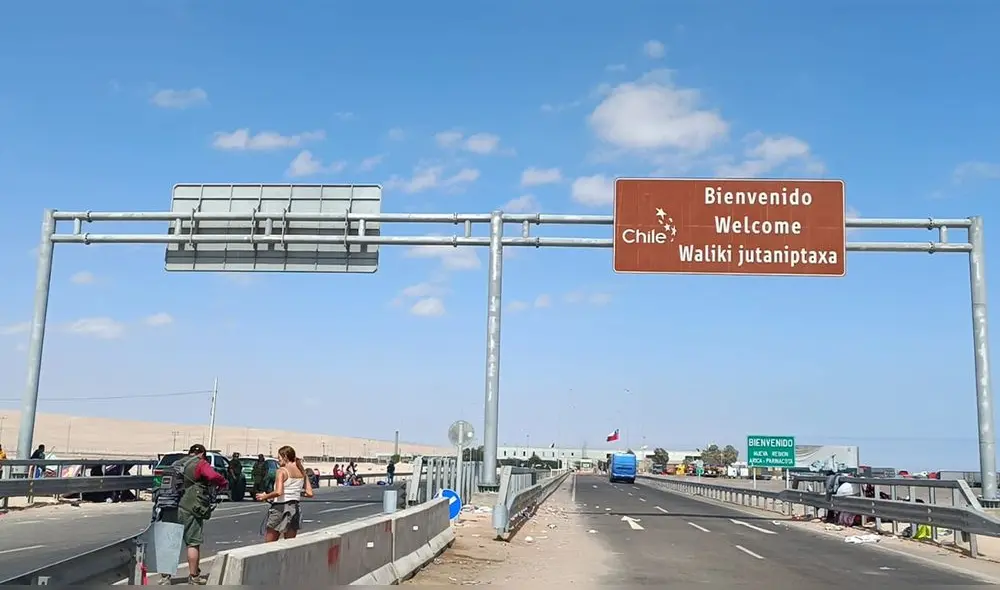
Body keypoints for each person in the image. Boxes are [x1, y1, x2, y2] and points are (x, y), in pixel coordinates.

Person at [177, 444, 228, 585]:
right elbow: (213, 476)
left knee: (170, 542)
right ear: (203, 454)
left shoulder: (177, 463)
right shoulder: (200, 464)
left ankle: (165, 577)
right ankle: (194, 576)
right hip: (190, 507)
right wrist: (223, 482)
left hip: (170, 506)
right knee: (193, 542)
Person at [256, 446, 314, 542]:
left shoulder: (281, 471)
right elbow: (310, 493)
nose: (278, 461)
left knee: (269, 544)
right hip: (295, 508)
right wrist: (295, 493)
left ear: (285, 457)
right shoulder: (302, 472)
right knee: (289, 543)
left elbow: (279, 492)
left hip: (280, 507)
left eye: (279, 458)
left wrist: (265, 496)